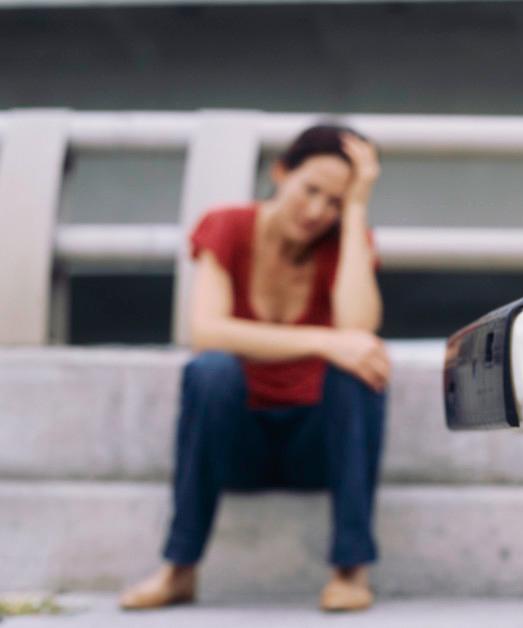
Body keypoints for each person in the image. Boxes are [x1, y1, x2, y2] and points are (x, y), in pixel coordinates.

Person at [119, 124, 390, 612]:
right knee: (211, 370)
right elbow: (207, 331)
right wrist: (325, 341)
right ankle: (179, 568)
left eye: (334, 202)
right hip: (236, 441)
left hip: (317, 445)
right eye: (310, 191)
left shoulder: (345, 240)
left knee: (360, 370)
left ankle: (351, 569)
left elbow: (359, 329)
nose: (316, 212)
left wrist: (356, 211)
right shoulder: (227, 226)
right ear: (280, 171)